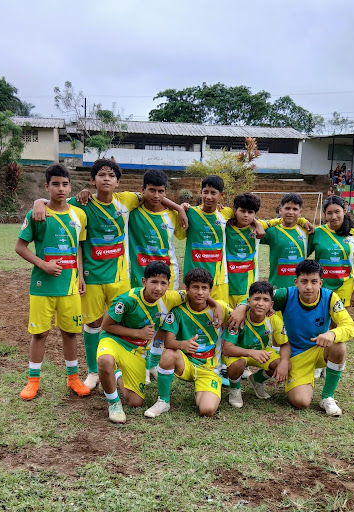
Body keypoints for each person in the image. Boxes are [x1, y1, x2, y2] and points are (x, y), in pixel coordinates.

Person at [31, 158, 187, 391]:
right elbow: (56, 200)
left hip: (120, 278)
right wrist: (39, 202)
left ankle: (126, 366)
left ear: (118, 182)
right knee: (93, 324)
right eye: (101, 175)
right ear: (92, 180)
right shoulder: (81, 203)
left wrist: (178, 208)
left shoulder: (126, 200)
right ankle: (93, 371)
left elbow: (153, 195)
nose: (106, 179)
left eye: (111, 175)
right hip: (92, 277)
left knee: (125, 322)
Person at [231, 260, 354, 416]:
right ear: (296, 282)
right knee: (301, 402)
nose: (309, 287)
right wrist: (242, 306)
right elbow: (258, 296)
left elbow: (350, 326)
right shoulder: (286, 295)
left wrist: (332, 333)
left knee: (339, 346)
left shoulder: (330, 297)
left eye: (314, 282)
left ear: (320, 283)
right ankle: (257, 378)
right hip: (295, 354)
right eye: (304, 281)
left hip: (319, 349)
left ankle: (327, 397)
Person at [15, 163, 90, 401]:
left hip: (69, 287)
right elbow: (20, 247)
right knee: (40, 334)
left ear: (70, 187)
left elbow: (79, 247)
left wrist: (80, 275)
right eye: (55, 184)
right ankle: (33, 381)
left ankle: (73, 378)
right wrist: (43, 265)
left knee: (70, 333)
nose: (61, 189)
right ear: (47, 187)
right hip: (42, 287)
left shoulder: (79, 215)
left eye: (65, 184)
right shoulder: (37, 214)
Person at [96, 262, 187, 424]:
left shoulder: (170, 298)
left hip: (137, 349)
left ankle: (115, 374)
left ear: (168, 285)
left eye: (163, 283)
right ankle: (114, 403)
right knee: (105, 360)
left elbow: (195, 293)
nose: (158, 288)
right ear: (144, 282)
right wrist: (138, 333)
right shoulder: (127, 300)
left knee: (135, 402)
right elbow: (106, 325)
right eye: (154, 282)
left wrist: (217, 305)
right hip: (114, 340)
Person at [144, 268, 230, 419]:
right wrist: (183, 344)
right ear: (187, 289)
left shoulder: (220, 307)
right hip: (186, 364)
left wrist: (243, 308)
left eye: (204, 288)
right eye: (195, 287)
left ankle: (203, 389)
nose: (200, 292)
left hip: (210, 369)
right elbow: (169, 342)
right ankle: (163, 401)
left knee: (207, 410)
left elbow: (241, 316)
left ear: (210, 290)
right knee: (169, 354)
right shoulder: (177, 311)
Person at [182, 175, 263, 305]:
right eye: (206, 192)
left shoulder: (226, 213)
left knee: (221, 312)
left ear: (221, 195)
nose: (209, 197)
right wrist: (180, 207)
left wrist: (257, 224)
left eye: (213, 193)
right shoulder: (189, 212)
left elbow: (245, 215)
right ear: (200, 192)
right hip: (193, 278)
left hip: (219, 280)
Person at [222, 281, 290, 408]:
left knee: (284, 364)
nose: (260, 303)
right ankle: (235, 388)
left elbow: (285, 344)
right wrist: (251, 352)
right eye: (257, 299)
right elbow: (227, 349)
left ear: (271, 304)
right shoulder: (238, 318)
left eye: (265, 300)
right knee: (238, 364)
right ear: (248, 301)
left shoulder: (274, 319)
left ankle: (257, 379)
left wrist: (285, 362)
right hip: (238, 354)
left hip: (261, 351)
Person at [308, 195, 354, 308]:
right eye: (329, 213)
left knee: (339, 319)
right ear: (325, 214)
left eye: (337, 212)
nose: (334, 216)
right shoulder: (317, 233)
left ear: (344, 211)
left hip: (345, 287)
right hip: (320, 287)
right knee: (320, 318)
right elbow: (302, 254)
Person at [225, 193, 278, 308]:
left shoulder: (256, 228)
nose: (246, 215)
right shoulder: (225, 226)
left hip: (248, 288)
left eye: (250, 212)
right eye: (242, 211)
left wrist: (303, 221)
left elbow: (278, 221)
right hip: (226, 285)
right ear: (235, 211)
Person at [261, 193, 309, 290]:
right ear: (280, 210)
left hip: (300, 288)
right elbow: (251, 229)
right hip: (277, 287)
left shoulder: (307, 231)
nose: (290, 212)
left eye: (295, 209)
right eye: (287, 208)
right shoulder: (271, 232)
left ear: (300, 212)